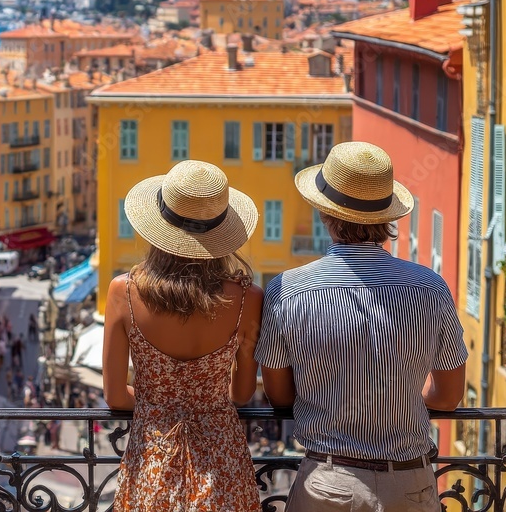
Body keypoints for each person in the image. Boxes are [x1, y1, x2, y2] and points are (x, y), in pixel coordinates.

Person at [255, 142, 467, 512]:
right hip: (410, 483)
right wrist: (400, 398)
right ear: (387, 217)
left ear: (325, 212)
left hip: (327, 484)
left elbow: (280, 396)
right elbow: (448, 397)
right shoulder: (431, 288)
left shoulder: (287, 290)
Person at [103, 160, 262, 511]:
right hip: (222, 464)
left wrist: (160, 405)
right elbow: (242, 392)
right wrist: (201, 403)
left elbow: (115, 396)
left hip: (153, 460)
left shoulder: (123, 292)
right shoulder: (248, 299)